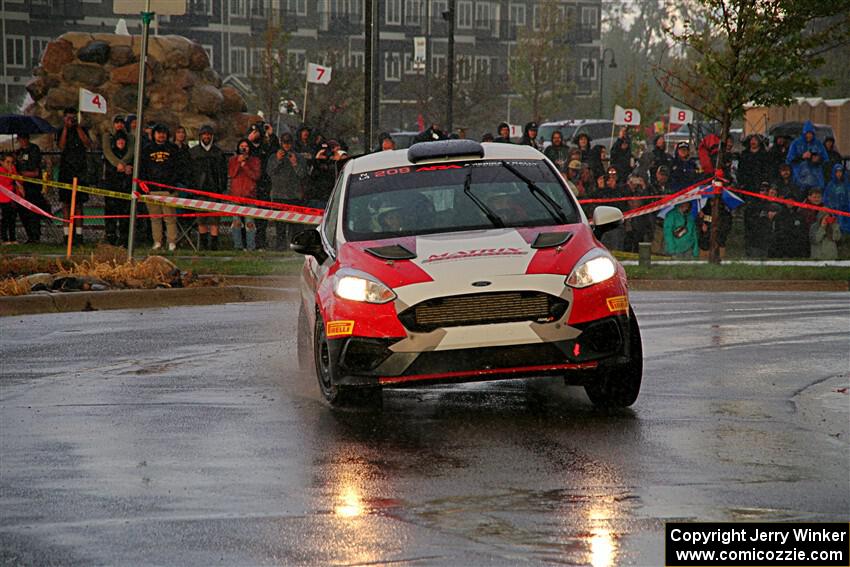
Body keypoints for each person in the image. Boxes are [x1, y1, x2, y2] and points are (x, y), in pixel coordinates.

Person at [139, 123, 182, 251]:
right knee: (155, 218)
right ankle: (157, 241)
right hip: (152, 190)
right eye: (158, 132)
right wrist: (144, 185)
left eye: (163, 132)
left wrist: (172, 185)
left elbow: (178, 168)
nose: (161, 135)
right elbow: (142, 169)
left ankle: (172, 242)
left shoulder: (173, 148)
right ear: (154, 134)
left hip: (168, 190)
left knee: (170, 218)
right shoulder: (147, 149)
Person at [56, 107, 92, 243]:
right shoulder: (61, 131)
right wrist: (66, 128)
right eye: (69, 118)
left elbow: (88, 144)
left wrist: (78, 127)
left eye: (73, 118)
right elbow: (61, 146)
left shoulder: (83, 130)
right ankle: (66, 235)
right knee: (65, 203)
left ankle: (79, 234)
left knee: (79, 205)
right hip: (66, 171)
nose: (71, 120)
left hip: (80, 170)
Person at [189, 125, 227, 250]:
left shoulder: (218, 152)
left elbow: (223, 173)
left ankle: (214, 246)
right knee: (201, 219)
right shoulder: (193, 152)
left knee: (214, 219)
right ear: (200, 136)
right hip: (198, 191)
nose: (206, 137)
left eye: (208, 134)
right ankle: (204, 245)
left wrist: (221, 188)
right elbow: (189, 173)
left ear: (212, 136)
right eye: (204, 134)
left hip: (214, 191)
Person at [267, 133, 308, 249]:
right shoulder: (273, 157)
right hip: (279, 195)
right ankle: (280, 247)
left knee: (295, 226)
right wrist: (277, 160)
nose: (287, 145)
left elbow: (303, 175)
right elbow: (269, 173)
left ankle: (295, 248)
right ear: (281, 142)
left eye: (289, 142)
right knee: (280, 226)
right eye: (284, 142)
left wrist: (295, 164)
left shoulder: (299, 157)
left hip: (295, 196)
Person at [247, 122, 278, 250]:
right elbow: (241, 150)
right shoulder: (249, 147)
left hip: (263, 184)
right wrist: (248, 140)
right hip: (249, 185)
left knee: (262, 215)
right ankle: (247, 243)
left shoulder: (265, 147)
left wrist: (271, 135)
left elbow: (274, 152)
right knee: (248, 215)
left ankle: (260, 241)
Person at [228, 139, 261, 251]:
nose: (244, 148)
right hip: (236, 196)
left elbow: (256, 176)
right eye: (241, 146)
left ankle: (251, 247)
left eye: (246, 146)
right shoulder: (233, 160)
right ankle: (238, 246)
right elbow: (232, 174)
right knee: (236, 223)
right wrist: (238, 163)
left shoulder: (255, 160)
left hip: (250, 196)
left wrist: (245, 165)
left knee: (250, 223)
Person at [14, 133, 46, 243]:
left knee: (33, 211)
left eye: (23, 138)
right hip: (21, 186)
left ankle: (35, 236)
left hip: (33, 186)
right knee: (23, 212)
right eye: (19, 138)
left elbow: (35, 171)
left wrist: (22, 174)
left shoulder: (34, 149)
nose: (21, 141)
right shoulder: (18, 153)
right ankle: (29, 235)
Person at [102, 131, 133, 246]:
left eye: (123, 140)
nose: (120, 142)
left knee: (125, 215)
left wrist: (129, 168)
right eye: (118, 140)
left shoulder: (130, 155)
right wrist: (120, 167)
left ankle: (124, 239)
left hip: (125, 188)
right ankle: (111, 237)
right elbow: (107, 169)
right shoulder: (110, 154)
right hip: (111, 188)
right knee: (111, 214)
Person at [786, 120, 828, 194]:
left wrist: (817, 159)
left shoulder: (818, 144)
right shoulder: (796, 143)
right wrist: (802, 157)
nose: (809, 135)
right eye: (807, 133)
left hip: (816, 182)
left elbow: (825, 159)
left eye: (811, 133)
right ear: (803, 133)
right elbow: (789, 160)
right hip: (800, 181)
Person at [623, 175, 653, 252]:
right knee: (626, 246)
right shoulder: (625, 191)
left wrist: (643, 186)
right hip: (626, 225)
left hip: (639, 225)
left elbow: (648, 201)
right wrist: (629, 187)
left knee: (637, 246)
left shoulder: (641, 192)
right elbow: (622, 199)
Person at [743, 182, 773, 257]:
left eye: (767, 190)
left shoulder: (772, 205)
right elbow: (748, 222)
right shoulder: (751, 205)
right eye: (762, 190)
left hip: (767, 238)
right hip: (754, 239)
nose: (764, 192)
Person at [0, 153, 23, 245]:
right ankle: (4, 239)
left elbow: (19, 180)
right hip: (3, 198)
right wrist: (10, 172)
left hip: (13, 198)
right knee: (5, 219)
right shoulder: (1, 171)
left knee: (12, 218)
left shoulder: (13, 169)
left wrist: (12, 172)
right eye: (7, 162)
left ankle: (13, 238)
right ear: (2, 162)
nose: (10, 165)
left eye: (12, 162)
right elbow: (5, 181)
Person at [823, 163, 849, 235]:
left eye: (840, 172)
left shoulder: (846, 184)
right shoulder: (830, 185)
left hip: (846, 210)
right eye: (837, 172)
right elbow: (826, 199)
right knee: (838, 228)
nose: (839, 174)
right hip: (835, 211)